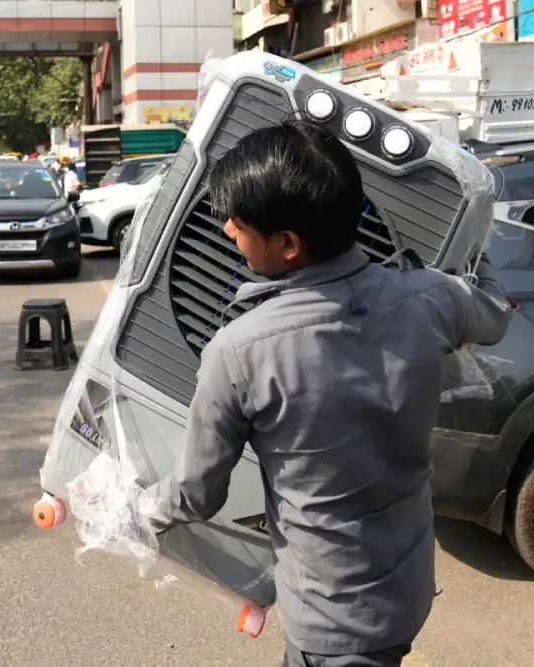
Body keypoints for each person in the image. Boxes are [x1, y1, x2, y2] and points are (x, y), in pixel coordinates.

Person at [141, 119, 513, 667]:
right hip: (407, 589)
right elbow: (496, 313)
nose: (226, 233)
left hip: (332, 623)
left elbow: (198, 493)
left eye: (237, 224)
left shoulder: (240, 350)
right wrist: (478, 244)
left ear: (288, 244)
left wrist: (138, 507)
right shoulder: (432, 297)